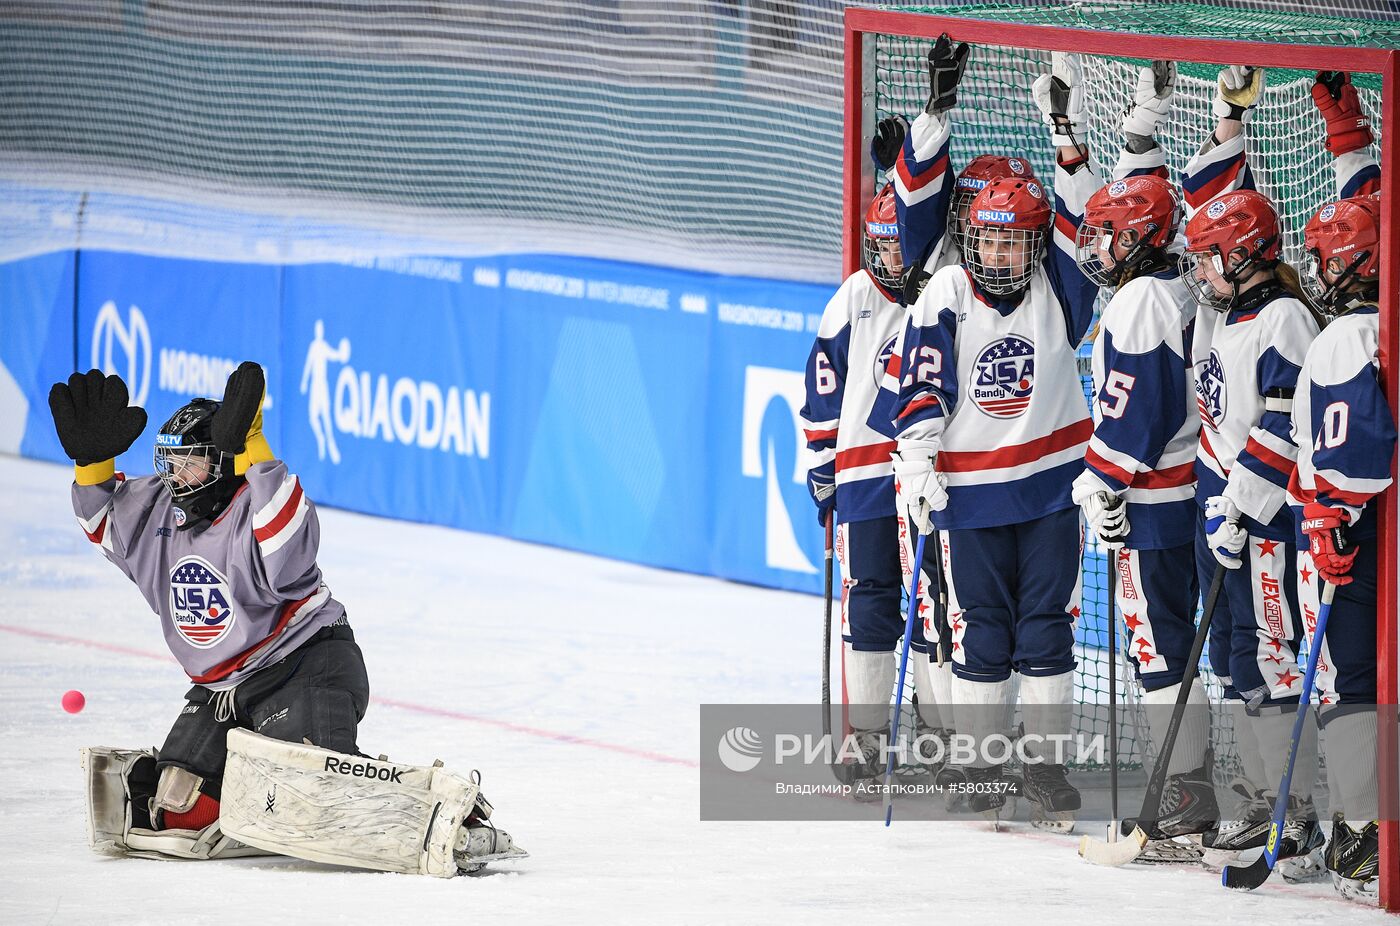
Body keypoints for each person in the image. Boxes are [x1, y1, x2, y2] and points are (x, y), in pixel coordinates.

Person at [51, 362, 523, 877]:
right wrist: (92, 462)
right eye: (171, 463)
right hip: (222, 688)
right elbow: (104, 525)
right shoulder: (159, 511)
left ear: (226, 465)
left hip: (304, 664)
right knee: (176, 810)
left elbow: (290, 555)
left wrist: (254, 447)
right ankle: (257, 795)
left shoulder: (257, 508)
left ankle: (454, 813)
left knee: (317, 796)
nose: (175, 477)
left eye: (191, 464)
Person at [889, 53, 1100, 829]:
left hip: (1050, 490)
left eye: (1014, 243)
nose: (999, 254)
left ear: (1035, 246)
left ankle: (1044, 774)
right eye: (988, 239)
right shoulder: (945, 289)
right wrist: (915, 466)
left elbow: (1086, 223)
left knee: (1046, 631)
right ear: (969, 236)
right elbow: (922, 386)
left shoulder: (1059, 290)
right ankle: (980, 773)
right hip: (970, 495)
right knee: (983, 634)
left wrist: (1064, 134)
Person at [802, 33, 968, 786]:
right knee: (871, 602)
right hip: (868, 479)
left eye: (902, 246)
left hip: (927, 477)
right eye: (883, 248)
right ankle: (866, 736)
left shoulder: (944, 285)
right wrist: (819, 470)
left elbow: (923, 206)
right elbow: (820, 395)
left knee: (937, 607)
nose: (893, 259)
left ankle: (935, 735)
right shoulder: (854, 299)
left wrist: (921, 134)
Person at [1178, 65, 1324, 875]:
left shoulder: (1283, 319)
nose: (1196, 271)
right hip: (1220, 510)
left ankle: (1294, 810)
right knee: (1238, 658)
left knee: (1270, 657)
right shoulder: (1227, 308)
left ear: (1246, 259)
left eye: (1208, 259)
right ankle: (1266, 793)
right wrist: (1225, 118)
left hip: (1261, 522)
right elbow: (1212, 192)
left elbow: (1281, 425)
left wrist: (1239, 510)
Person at [1071, 61, 1217, 855]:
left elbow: (1137, 408)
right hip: (1193, 488)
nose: (1095, 243)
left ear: (1136, 237)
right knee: (1189, 644)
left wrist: (1105, 482)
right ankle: (1194, 794)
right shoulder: (1178, 282)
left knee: (1156, 645)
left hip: (1154, 502)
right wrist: (1138, 135)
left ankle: (1182, 803)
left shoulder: (1137, 298)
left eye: (1106, 232)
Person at [1287, 71, 1393, 905]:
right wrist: (1349, 129)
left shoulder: (1344, 338)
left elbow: (1354, 457)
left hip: (1360, 541)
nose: (1315, 266)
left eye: (1326, 254)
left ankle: (1361, 834)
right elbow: (1372, 198)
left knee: (1346, 680)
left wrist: (1329, 519)